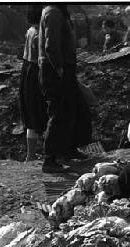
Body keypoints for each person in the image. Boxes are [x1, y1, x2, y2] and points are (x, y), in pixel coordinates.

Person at [39, 4, 90, 173]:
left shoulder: (58, 12)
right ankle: (50, 159)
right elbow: (51, 44)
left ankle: (68, 149)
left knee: (72, 108)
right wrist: (59, 67)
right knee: (59, 111)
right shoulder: (53, 12)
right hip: (55, 70)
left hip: (62, 68)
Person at [19, 5, 47, 162]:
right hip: (36, 72)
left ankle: (30, 154)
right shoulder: (39, 34)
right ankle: (46, 153)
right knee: (40, 113)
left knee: (30, 114)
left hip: (26, 70)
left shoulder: (29, 31)